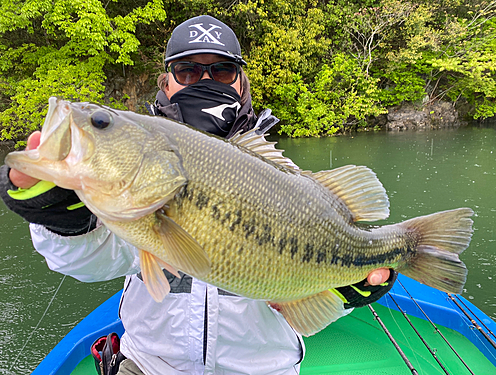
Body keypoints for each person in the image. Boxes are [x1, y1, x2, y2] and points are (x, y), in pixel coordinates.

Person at [0, 15, 396, 375]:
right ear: (165, 83)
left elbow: (304, 290)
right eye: (187, 71)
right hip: (148, 367)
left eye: (222, 71)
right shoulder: (137, 183)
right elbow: (88, 263)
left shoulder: (285, 178)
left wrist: (350, 290)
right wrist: (59, 218)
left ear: (242, 83)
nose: (204, 81)